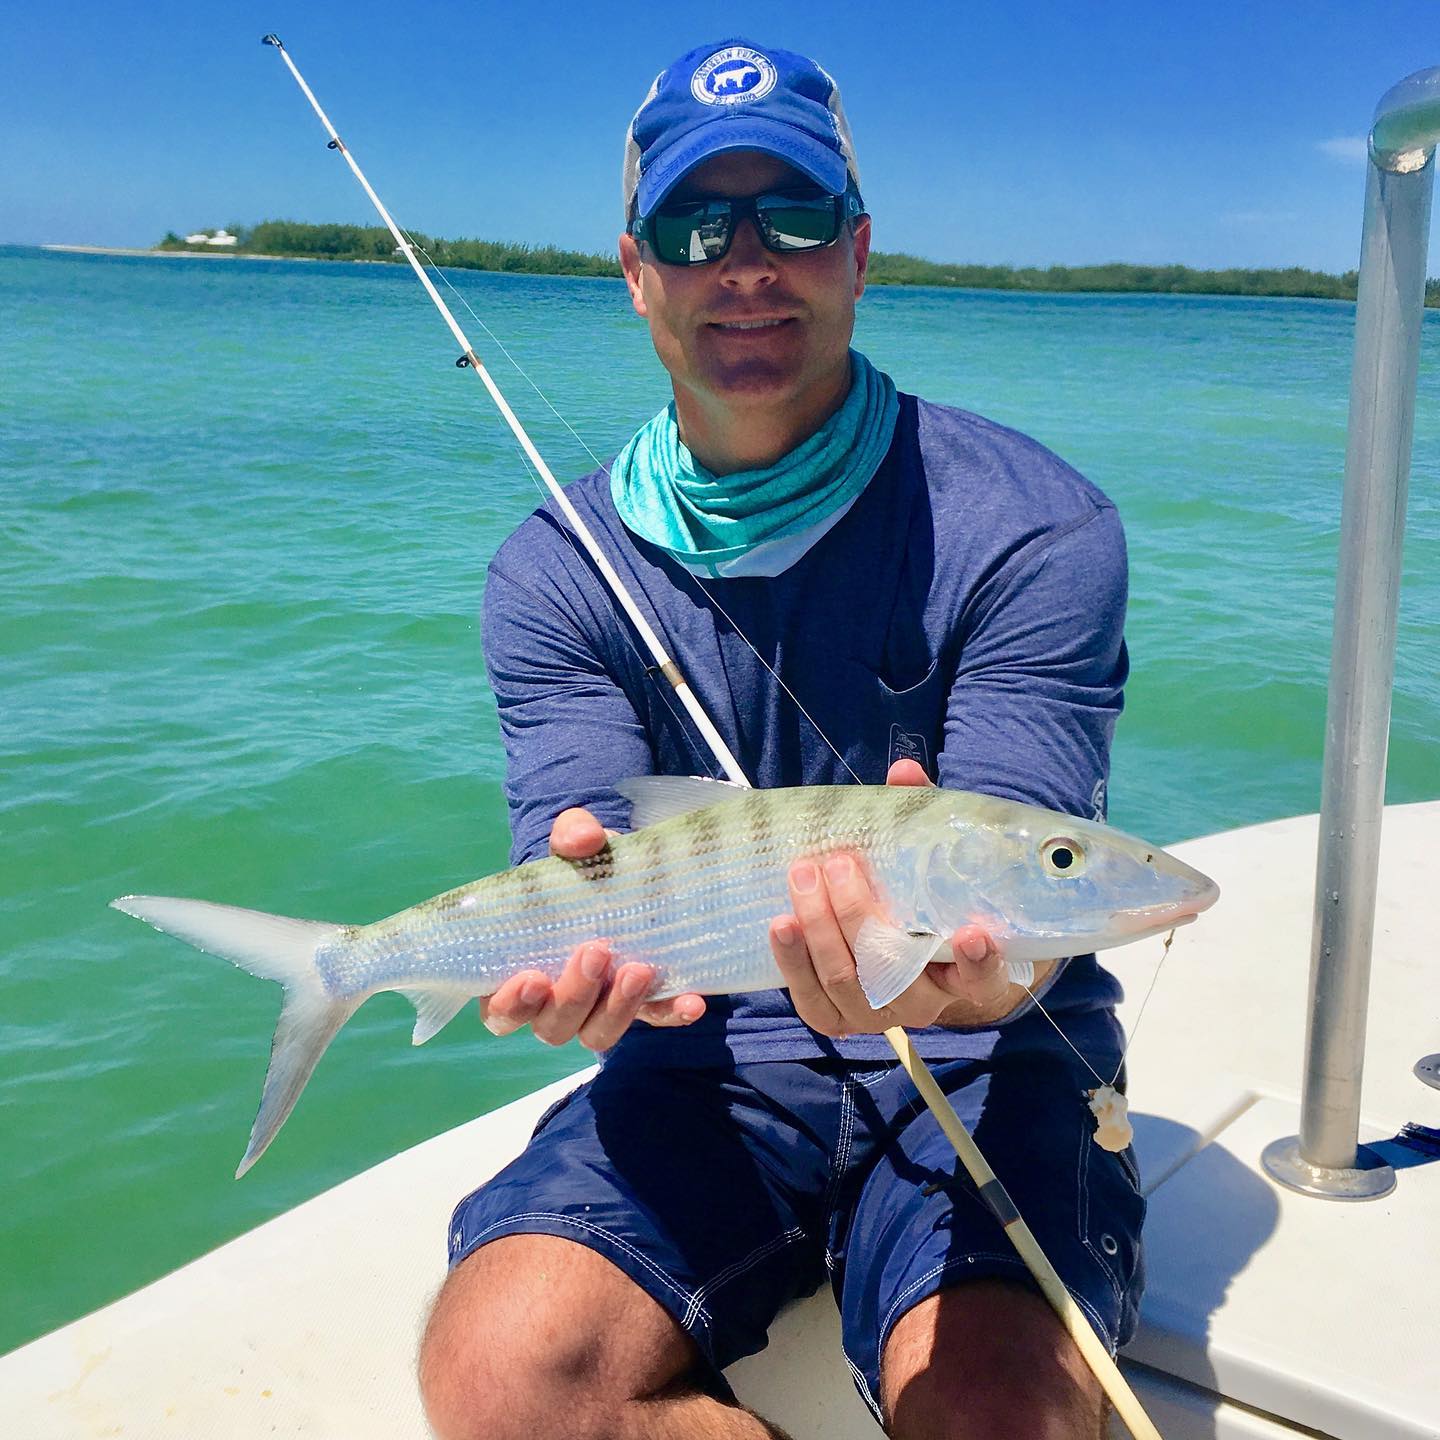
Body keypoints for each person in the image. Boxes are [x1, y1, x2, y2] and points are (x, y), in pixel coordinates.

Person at [419, 37, 1140, 1440]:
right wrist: (580, 968)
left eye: (792, 216)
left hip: (988, 1057)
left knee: (1004, 1412)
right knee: (502, 1375)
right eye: (695, 226)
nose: (746, 262)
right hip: (706, 1051)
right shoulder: (554, 571)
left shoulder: (1036, 527)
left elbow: (1028, 887)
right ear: (638, 274)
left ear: (858, 251)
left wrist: (981, 987)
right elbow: (582, 848)